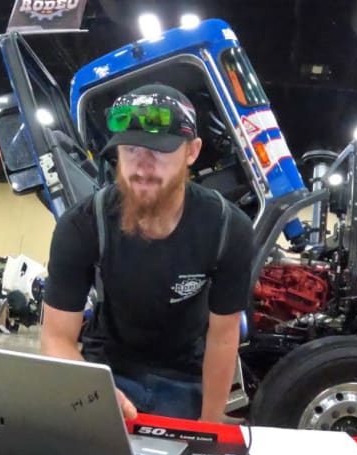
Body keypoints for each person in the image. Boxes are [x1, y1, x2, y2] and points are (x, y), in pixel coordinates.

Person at [41, 84, 254, 423]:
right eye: (131, 150)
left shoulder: (228, 229)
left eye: (160, 151)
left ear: (192, 151)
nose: (142, 167)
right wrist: (94, 392)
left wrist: (210, 427)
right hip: (105, 371)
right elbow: (55, 337)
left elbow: (223, 336)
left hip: (183, 378)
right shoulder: (82, 226)